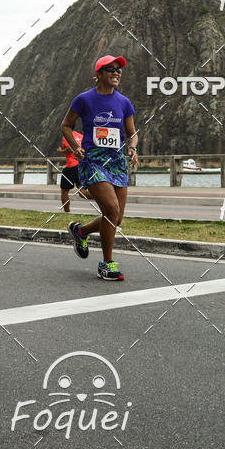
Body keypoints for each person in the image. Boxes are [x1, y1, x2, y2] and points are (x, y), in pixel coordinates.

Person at [61, 55, 138, 281]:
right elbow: (66, 125)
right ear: (99, 73)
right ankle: (106, 264)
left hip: (116, 161)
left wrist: (133, 148)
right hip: (92, 160)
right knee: (112, 210)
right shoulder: (84, 99)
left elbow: (131, 133)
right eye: (111, 69)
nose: (116, 73)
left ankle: (81, 231)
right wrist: (75, 147)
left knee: (116, 217)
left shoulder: (124, 102)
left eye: (119, 70)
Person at [56, 130, 93, 212]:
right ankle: (102, 198)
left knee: (64, 191)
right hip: (82, 165)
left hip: (71, 166)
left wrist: (60, 151)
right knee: (82, 191)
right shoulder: (80, 136)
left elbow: (69, 149)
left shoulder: (67, 135)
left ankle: (67, 213)